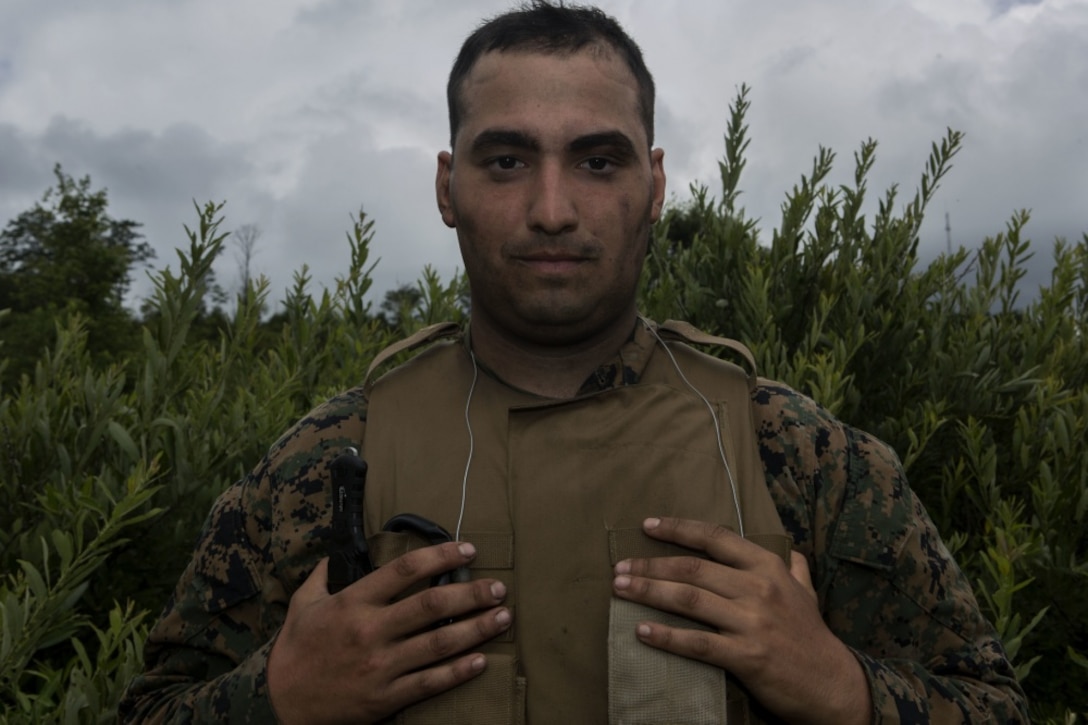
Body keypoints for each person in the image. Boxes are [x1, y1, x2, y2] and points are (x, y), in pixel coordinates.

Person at [120, 2, 1029, 723]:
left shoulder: (795, 454)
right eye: (507, 159)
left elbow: (992, 704)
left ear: (656, 185)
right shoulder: (327, 463)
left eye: (598, 161)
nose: (552, 209)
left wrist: (846, 691)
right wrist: (279, 701)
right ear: (447, 187)